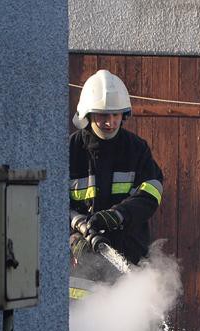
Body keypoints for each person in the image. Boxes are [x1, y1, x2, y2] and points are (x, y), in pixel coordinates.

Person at [69, 69, 164, 268]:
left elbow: (151, 193)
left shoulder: (136, 149)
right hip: (84, 264)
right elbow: (49, 205)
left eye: (116, 114)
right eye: (103, 115)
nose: (110, 122)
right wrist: (72, 239)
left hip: (130, 257)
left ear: (124, 114)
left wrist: (119, 215)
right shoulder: (70, 151)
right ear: (88, 113)